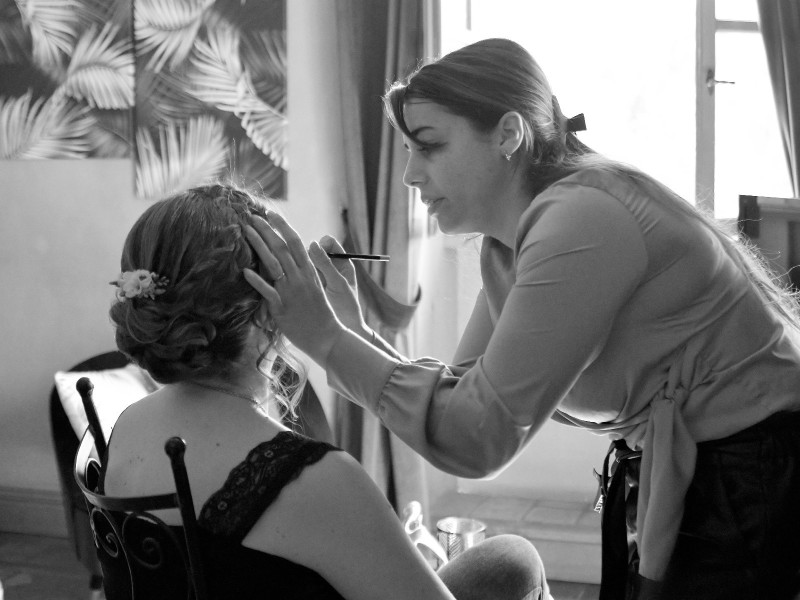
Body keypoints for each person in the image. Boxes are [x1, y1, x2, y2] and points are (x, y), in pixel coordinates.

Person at [242, 38, 800, 600]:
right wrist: (351, 334)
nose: (409, 175)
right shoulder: (505, 246)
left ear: (509, 135)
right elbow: (460, 397)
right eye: (407, 150)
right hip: (696, 468)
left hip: (755, 472)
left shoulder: (581, 219)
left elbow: (477, 437)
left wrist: (329, 341)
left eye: (429, 146)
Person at [103, 182, 550, 600]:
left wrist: (348, 331)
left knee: (507, 561)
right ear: (272, 310)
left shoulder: (126, 428)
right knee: (516, 558)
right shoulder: (315, 479)